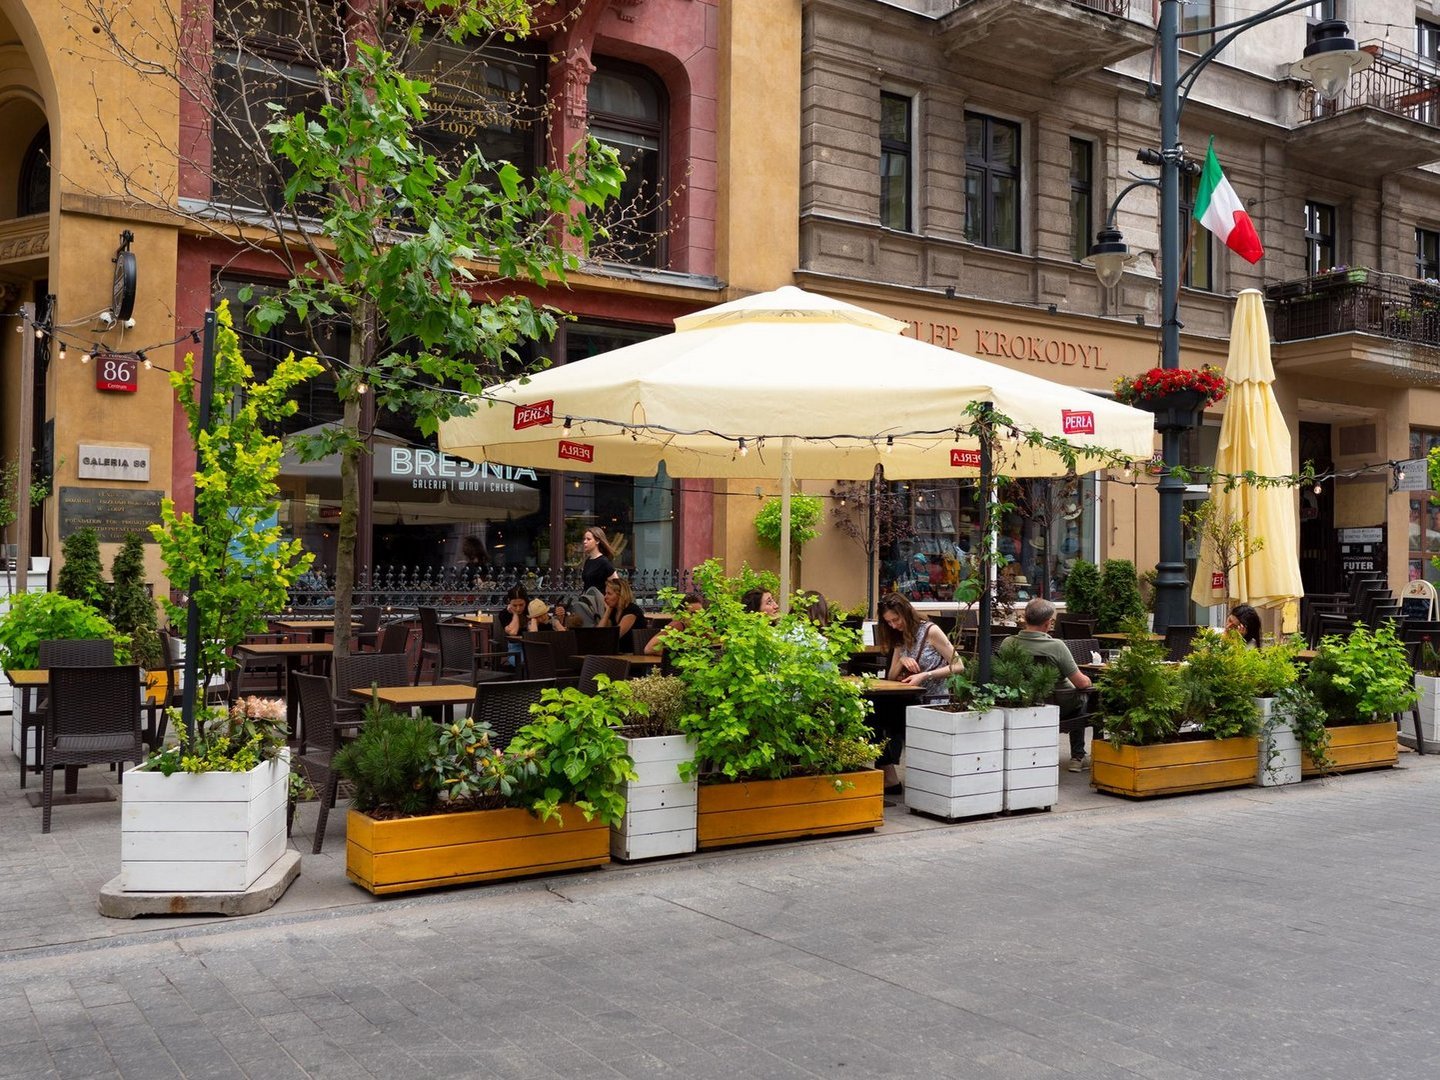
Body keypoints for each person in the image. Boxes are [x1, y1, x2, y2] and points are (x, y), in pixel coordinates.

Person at [875, 593, 963, 791]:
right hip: (908, 698)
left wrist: (925, 675)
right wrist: (901, 660)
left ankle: (892, 776)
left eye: (896, 619)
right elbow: (891, 677)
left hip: (932, 699)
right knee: (874, 714)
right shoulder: (899, 636)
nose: (893, 625)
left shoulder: (930, 631)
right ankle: (889, 775)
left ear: (906, 613)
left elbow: (958, 665)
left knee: (880, 714)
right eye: (888, 622)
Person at [1000, 597, 1093, 772]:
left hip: (1022, 702)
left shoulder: (1008, 643)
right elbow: (1081, 683)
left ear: (1025, 618)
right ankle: (1077, 757)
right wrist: (1089, 681)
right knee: (1086, 697)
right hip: (1058, 705)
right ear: (1048, 623)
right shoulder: (1056, 646)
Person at [598, 577, 647, 651]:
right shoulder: (614, 610)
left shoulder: (631, 611)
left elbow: (614, 637)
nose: (605, 597)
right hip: (617, 652)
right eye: (605, 593)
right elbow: (599, 634)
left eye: (609, 594)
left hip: (632, 653)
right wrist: (608, 610)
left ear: (620, 595)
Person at [495, 585, 528, 669]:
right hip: (516, 648)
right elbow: (513, 632)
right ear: (509, 602)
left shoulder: (531, 610)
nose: (518, 608)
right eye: (514, 605)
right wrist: (515, 614)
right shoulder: (504, 614)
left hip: (533, 646)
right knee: (524, 662)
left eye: (521, 605)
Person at [580, 527, 619, 593]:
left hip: (599, 598)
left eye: (588, 539)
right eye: (584, 539)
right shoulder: (588, 560)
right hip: (588, 597)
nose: (585, 542)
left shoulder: (604, 562)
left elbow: (616, 585)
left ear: (597, 541)